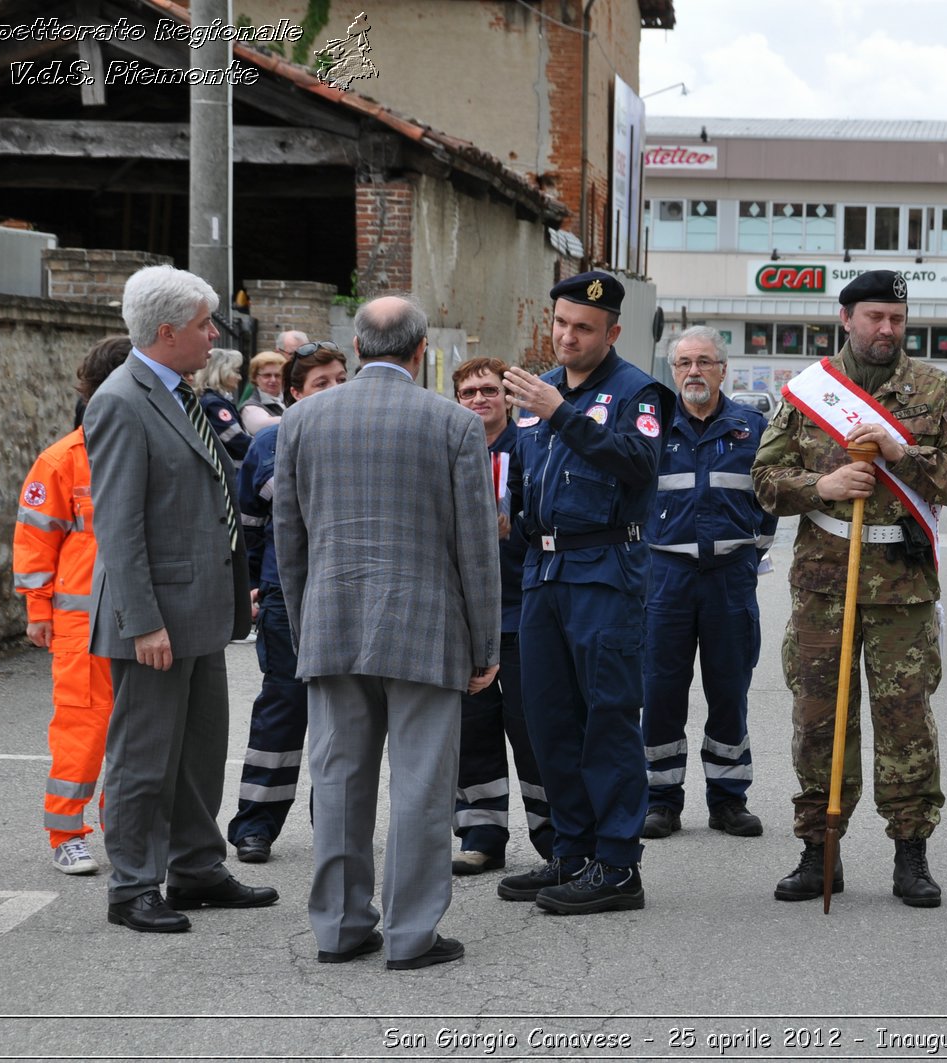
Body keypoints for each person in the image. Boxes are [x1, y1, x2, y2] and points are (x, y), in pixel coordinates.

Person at [751, 269, 947, 908]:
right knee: (818, 719)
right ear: (847, 318)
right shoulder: (810, 392)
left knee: (905, 720)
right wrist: (819, 488)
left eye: (896, 319)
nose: (887, 329)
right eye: (874, 317)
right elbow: (764, 478)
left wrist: (902, 454)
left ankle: (911, 855)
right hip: (823, 585)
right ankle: (818, 852)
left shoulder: (935, 392)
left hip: (903, 589)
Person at [274, 297, 500, 971]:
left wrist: (302, 623)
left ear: (357, 344)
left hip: (331, 623)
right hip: (426, 626)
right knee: (423, 786)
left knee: (338, 781)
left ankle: (340, 926)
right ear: (421, 349)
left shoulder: (302, 418)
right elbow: (476, 549)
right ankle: (410, 934)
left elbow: (290, 538)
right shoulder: (455, 424)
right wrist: (484, 645)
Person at [85, 264, 277, 933]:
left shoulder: (176, 392)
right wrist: (143, 622)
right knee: (143, 758)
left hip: (196, 611)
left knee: (199, 749)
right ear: (166, 332)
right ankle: (133, 885)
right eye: (203, 324)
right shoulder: (120, 400)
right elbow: (118, 527)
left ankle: (196, 866)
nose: (214, 334)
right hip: (154, 619)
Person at [496, 271, 669, 915]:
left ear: (613, 333)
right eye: (561, 323)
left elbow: (638, 464)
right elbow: (522, 480)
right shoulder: (537, 393)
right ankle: (571, 853)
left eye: (584, 328)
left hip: (604, 570)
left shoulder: (637, 393)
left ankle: (619, 866)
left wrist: (560, 413)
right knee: (550, 722)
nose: (567, 337)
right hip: (542, 576)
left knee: (609, 720)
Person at [641, 326, 776, 841]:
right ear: (672, 371)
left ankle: (728, 799)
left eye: (704, 361)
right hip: (665, 580)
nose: (693, 371)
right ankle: (660, 800)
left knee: (729, 691)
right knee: (660, 692)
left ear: (724, 369)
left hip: (728, 579)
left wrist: (748, 559)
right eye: (683, 363)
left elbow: (770, 504)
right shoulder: (651, 429)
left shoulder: (753, 428)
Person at [224, 342, 349, 865]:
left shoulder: (361, 437)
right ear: (295, 394)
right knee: (282, 710)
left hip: (349, 593)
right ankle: (255, 825)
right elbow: (250, 523)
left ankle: (337, 825)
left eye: (342, 379)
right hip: (288, 597)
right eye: (322, 384)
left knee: (344, 717)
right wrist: (254, 583)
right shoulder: (271, 441)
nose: (335, 391)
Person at [13, 335, 132, 875]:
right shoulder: (62, 461)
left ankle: (124, 826)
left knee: (136, 729)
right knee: (83, 728)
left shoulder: (134, 449)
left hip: (134, 617)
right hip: (81, 622)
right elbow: (36, 541)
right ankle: (66, 831)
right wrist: (38, 610)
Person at [450, 356, 555, 873]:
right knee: (472, 732)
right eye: (468, 393)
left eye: (488, 391)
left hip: (521, 608)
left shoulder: (532, 447)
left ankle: (552, 834)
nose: (478, 400)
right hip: (463, 618)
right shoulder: (447, 448)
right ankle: (481, 833)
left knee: (531, 729)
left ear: (507, 398)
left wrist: (521, 527)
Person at [192, 347, 252, 461]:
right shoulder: (215, 404)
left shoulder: (213, 400)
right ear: (221, 371)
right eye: (236, 371)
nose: (239, 378)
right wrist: (263, 448)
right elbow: (236, 439)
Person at [239, 351, 288, 434]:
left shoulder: (290, 399)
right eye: (267, 375)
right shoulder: (250, 408)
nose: (273, 380)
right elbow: (262, 426)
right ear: (255, 377)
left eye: (277, 375)